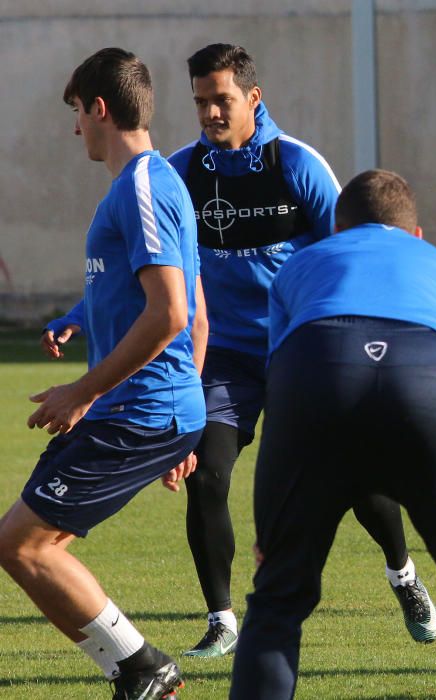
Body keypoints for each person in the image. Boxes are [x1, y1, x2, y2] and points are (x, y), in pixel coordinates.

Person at [50, 42, 436, 656]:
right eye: (201, 101)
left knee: (358, 478)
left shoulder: (298, 166)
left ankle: (403, 574)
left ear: (253, 98)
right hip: (224, 358)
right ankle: (222, 618)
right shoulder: (178, 174)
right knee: (207, 475)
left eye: (221, 100)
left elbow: (352, 252)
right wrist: (77, 315)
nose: (209, 113)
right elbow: (146, 269)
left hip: (300, 351)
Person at [229, 169, 436, 699]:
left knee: (277, 602)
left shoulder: (301, 266)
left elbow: (280, 386)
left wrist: (278, 518)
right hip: (428, 380)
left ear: (338, 230)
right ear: (417, 235)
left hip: (317, 374)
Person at [0, 48, 204, 700]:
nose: (74, 130)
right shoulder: (140, 187)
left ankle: (141, 668)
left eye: (76, 114)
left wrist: (81, 391)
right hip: (145, 410)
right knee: (29, 541)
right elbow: (154, 299)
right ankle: (138, 669)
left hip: (136, 410)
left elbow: (173, 311)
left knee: (24, 546)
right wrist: (77, 318)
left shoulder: (145, 183)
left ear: (99, 108)